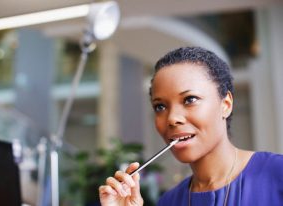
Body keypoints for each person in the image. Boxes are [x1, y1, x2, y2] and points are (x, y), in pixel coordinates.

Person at [98, 47, 283, 206]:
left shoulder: (277, 174)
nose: (172, 118)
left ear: (225, 104)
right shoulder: (169, 201)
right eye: (160, 107)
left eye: (190, 100)